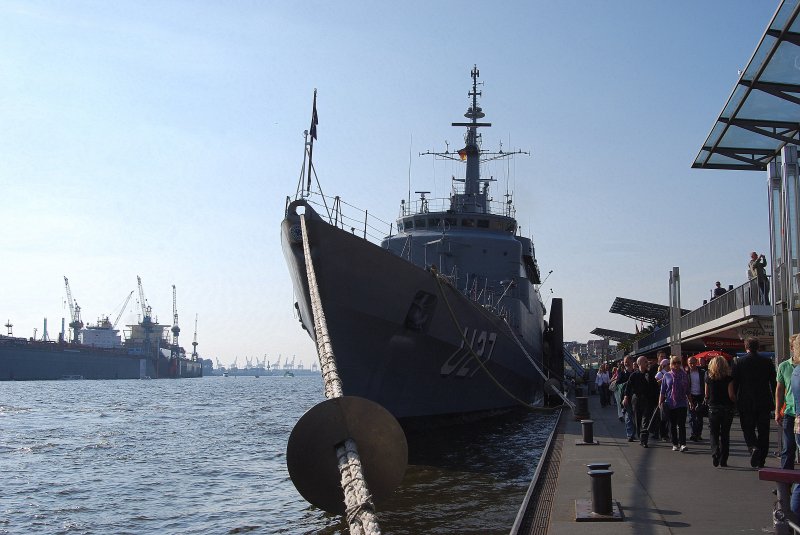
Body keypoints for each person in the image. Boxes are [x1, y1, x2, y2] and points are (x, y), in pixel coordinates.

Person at [732, 336, 777, 467]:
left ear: (746, 347)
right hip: (764, 401)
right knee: (764, 431)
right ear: (758, 347)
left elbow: (735, 383)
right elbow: (773, 383)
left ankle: (753, 447)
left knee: (747, 428)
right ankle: (762, 459)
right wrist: (776, 400)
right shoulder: (767, 362)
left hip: (745, 401)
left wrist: (734, 400)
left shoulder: (739, 362)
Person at [705, 355, 736, 467]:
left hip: (713, 408)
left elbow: (706, 394)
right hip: (727, 409)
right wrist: (735, 401)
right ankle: (724, 459)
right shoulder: (728, 379)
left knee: (713, 432)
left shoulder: (709, 378)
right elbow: (731, 395)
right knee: (725, 434)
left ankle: (715, 452)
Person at [623, 356, 659, 447]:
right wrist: (626, 398)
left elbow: (655, 388)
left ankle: (644, 440)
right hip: (637, 400)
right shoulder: (634, 375)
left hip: (648, 400)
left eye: (647, 361)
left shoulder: (649, 374)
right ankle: (640, 436)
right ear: (639, 364)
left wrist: (658, 399)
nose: (647, 363)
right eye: (645, 362)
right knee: (637, 420)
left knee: (646, 420)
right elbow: (628, 388)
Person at [776, 334, 800, 469]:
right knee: (788, 448)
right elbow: (779, 389)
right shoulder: (784, 366)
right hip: (790, 411)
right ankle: (785, 484)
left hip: (798, 412)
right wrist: (777, 410)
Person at [659, 355, 691, 452]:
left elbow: (688, 390)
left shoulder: (684, 375)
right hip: (670, 403)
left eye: (679, 362)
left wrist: (690, 401)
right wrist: (660, 402)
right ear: (671, 364)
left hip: (682, 403)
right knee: (672, 425)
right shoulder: (667, 375)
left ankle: (683, 444)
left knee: (681, 424)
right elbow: (663, 391)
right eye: (674, 363)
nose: (677, 365)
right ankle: (675, 443)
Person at [615, 356, 636, 440]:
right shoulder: (622, 373)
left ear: (632, 362)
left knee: (635, 417)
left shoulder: (635, 372)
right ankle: (630, 434)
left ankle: (634, 433)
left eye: (627, 361)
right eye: (625, 361)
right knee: (629, 416)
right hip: (626, 397)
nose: (626, 363)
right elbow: (618, 384)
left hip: (635, 398)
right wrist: (627, 383)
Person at [687, 356, 706, 441]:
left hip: (700, 396)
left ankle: (698, 434)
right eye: (690, 363)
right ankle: (693, 434)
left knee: (699, 417)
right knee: (691, 416)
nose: (692, 364)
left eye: (693, 362)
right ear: (688, 363)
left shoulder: (702, 372)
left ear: (696, 363)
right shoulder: (686, 373)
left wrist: (705, 396)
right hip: (690, 396)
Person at [654, 354, 671, 441]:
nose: (670, 366)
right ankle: (663, 434)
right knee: (663, 417)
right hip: (662, 397)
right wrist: (662, 379)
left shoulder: (670, 373)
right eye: (668, 364)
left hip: (669, 397)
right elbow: (655, 383)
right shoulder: (660, 373)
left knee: (668, 417)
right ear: (664, 366)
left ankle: (667, 433)